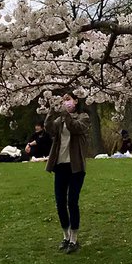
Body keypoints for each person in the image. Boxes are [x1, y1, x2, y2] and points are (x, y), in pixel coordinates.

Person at [45, 91, 90, 253]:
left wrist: (65, 114)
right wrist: (51, 110)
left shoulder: (83, 117)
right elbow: (49, 128)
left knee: (72, 201)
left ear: (76, 101)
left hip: (76, 167)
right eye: (63, 100)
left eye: (68, 99)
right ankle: (65, 235)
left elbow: (75, 127)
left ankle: (74, 238)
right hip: (61, 166)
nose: (66, 102)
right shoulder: (59, 121)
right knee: (60, 202)